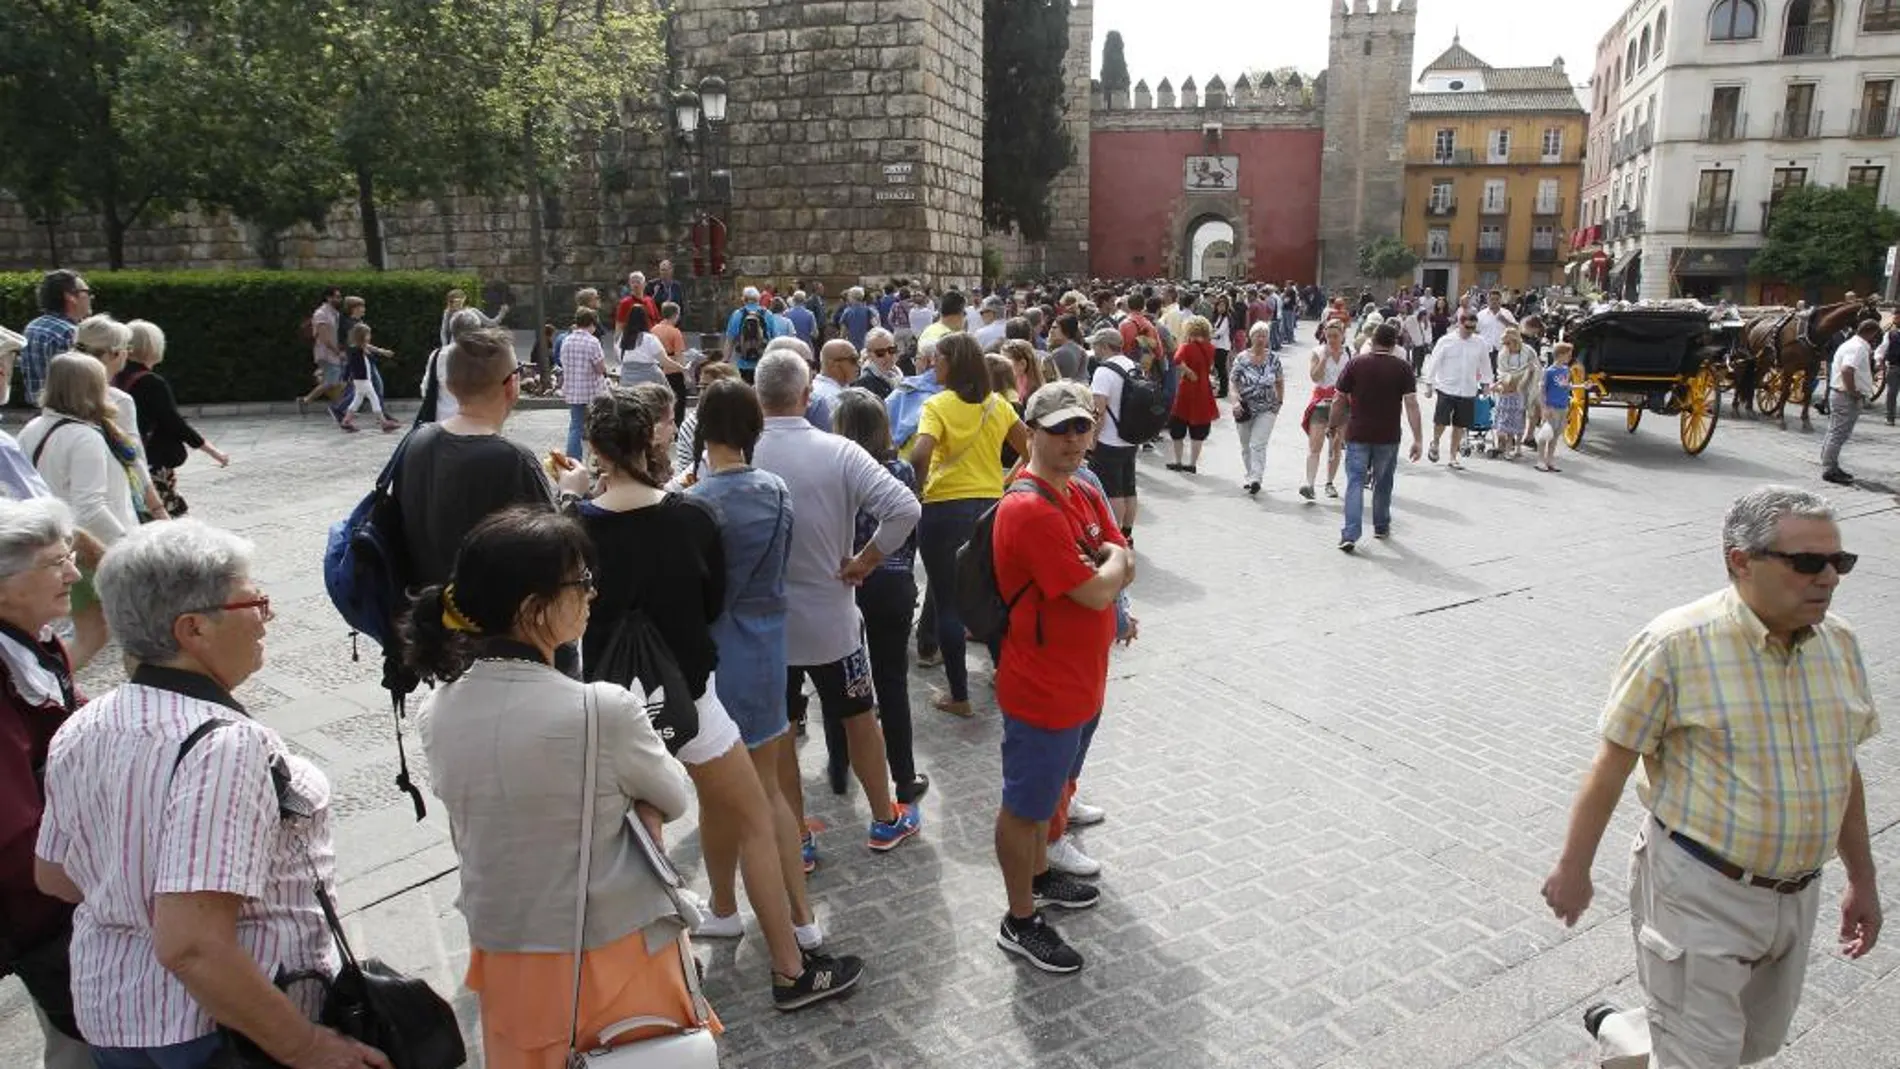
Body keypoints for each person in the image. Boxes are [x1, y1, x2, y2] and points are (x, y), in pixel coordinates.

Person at [1539, 486, 1881, 1069]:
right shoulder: (1673, 645)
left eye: (1838, 561)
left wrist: (1862, 878)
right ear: (1739, 561)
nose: (1828, 577)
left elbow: (1843, 769)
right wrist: (1574, 869)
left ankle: (1626, 1034)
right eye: (1807, 563)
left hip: (1797, 896)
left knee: (1751, 1045)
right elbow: (1611, 765)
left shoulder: (1840, 644)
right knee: (1705, 1057)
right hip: (1697, 889)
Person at [36, 520, 390, 1069]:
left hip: (116, 1014)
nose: (267, 616)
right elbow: (193, 945)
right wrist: (308, 1046)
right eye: (254, 601)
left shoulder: (86, 722)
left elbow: (54, 875)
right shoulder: (224, 745)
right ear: (192, 629)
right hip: (222, 1032)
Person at [569, 386, 861, 1008]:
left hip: (608, 704)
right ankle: (789, 969)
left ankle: (648, 982)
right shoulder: (691, 517)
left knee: (627, 841)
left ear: (593, 448)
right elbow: (709, 603)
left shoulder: (572, 528)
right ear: (652, 438)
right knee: (756, 818)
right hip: (690, 696)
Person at [403, 508, 711, 1067]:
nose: (592, 594)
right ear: (532, 609)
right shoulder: (601, 709)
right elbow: (673, 794)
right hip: (610, 949)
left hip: (504, 952)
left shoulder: (434, 711)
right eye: (581, 582)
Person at [751, 351, 923, 865]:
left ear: (759, 397)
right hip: (831, 617)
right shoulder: (840, 451)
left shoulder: (739, 454)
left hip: (767, 624)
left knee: (781, 730)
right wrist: (866, 561)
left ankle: (797, 836)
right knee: (858, 717)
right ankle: (884, 818)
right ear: (807, 397)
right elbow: (905, 508)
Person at [990, 381, 1133, 974]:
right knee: (1025, 806)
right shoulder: (1028, 508)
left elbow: (1120, 551)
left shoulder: (1079, 489)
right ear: (1031, 434)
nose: (1075, 438)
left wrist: (1113, 561)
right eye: (1060, 429)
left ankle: (1042, 877)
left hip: (1082, 676)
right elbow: (1100, 583)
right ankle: (1019, 921)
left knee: (1051, 796)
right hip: (1042, 684)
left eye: (1083, 426)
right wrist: (1113, 564)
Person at [684, 380, 814, 876]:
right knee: (770, 786)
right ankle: (793, 892)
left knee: (719, 794)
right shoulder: (776, 490)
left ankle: (726, 903)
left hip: (720, 653)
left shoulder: (696, 502)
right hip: (769, 648)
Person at [0, 499, 89, 1069]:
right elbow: (13, 839)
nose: (75, 575)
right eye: (55, 562)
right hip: (41, 905)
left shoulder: (33, 641)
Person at [909, 334, 1029, 719]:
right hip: (991, 506)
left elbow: (920, 453)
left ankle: (959, 696)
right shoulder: (999, 405)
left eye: (937, 359)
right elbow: (1030, 448)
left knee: (948, 601)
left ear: (952, 364)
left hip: (945, 506)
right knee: (989, 594)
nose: (933, 366)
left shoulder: (938, 404)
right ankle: (1004, 674)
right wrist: (1009, 479)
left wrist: (919, 490)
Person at [394, 328, 563, 591]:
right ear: (512, 386)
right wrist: (573, 494)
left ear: (449, 386)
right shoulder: (513, 459)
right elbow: (556, 547)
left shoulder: (415, 441)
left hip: (419, 615)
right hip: (484, 620)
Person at [830, 389, 928, 808]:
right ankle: (904, 778)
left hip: (846, 582)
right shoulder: (901, 470)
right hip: (892, 580)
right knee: (892, 682)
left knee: (838, 680)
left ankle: (839, 768)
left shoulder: (835, 470)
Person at [18, 354, 144, 669]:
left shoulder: (32, 428)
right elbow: (90, 507)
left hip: (58, 543)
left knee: (94, 631)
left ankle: (56, 688)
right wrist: (128, 543)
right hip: (89, 548)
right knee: (139, 629)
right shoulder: (84, 436)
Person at [115, 320, 229, 519]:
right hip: (152, 460)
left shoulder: (115, 377)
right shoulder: (151, 382)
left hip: (126, 455)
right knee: (167, 515)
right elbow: (173, 422)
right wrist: (211, 450)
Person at [1330, 323, 1423, 552]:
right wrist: (1418, 438)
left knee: (1354, 481)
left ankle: (1350, 533)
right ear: (1394, 344)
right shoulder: (1403, 368)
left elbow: (1339, 398)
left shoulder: (1356, 364)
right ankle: (1380, 525)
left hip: (1358, 432)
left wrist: (1332, 425)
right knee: (1383, 482)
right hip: (1388, 435)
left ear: (1372, 341)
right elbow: (1411, 404)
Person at [1086, 329, 1141, 540]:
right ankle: (1127, 533)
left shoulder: (1104, 371)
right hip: (1131, 436)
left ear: (1104, 346)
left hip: (1109, 439)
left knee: (1112, 491)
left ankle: (1114, 535)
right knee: (1129, 488)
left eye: (1095, 345)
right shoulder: (1133, 366)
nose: (1094, 349)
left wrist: (1091, 440)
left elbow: (1098, 411)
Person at [1424, 310, 1493, 469]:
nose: (1470, 331)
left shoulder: (1480, 343)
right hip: (1447, 387)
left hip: (1468, 389)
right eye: (1467, 327)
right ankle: (1435, 442)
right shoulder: (1446, 341)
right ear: (1459, 324)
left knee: (1460, 425)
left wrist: (1486, 384)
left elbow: (1485, 364)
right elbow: (1434, 362)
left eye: (1473, 328)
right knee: (1441, 421)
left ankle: (1453, 456)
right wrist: (1429, 383)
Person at [1820, 320, 1881, 486]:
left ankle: (1829, 463)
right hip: (1845, 396)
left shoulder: (1851, 344)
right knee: (1839, 433)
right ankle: (1829, 468)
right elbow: (1847, 370)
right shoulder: (1858, 347)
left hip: (1839, 393)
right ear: (1871, 333)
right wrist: (1853, 392)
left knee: (1834, 431)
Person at [20, 271, 91, 408]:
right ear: (70, 297)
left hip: (39, 411)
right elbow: (79, 384)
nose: (90, 296)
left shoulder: (32, 326)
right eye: (86, 291)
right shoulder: (70, 332)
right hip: (70, 411)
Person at [1230, 322, 1285, 496]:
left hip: (1267, 408)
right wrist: (1234, 401)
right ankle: (1250, 474)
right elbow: (1233, 381)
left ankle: (1256, 478)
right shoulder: (1242, 358)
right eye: (1258, 335)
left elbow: (1279, 381)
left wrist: (1279, 402)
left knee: (1258, 444)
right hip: (1245, 408)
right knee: (1246, 445)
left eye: (1264, 335)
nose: (1261, 339)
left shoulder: (1274, 359)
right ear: (1251, 337)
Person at [1298, 320, 1349, 501]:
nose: (1332, 340)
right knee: (1315, 444)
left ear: (1343, 335)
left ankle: (1329, 483)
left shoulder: (1349, 354)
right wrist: (1324, 358)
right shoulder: (1318, 352)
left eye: (1336, 336)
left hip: (1341, 404)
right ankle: (1309, 484)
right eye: (1329, 336)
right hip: (1321, 402)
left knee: (1335, 446)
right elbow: (1314, 377)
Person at [1165, 316, 1218, 474]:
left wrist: (1187, 371)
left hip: (1187, 390)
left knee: (1178, 426)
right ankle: (1192, 463)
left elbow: (1176, 359)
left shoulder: (1186, 347)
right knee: (1199, 429)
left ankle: (1178, 461)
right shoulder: (1210, 348)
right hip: (1204, 391)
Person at [561, 307, 611, 460]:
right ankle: (599, 459)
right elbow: (600, 368)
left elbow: (563, 362)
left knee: (575, 427)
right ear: (592, 323)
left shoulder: (566, 340)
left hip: (573, 390)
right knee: (597, 426)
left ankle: (572, 460)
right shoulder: (592, 341)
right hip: (592, 391)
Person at [299, 287, 347, 409]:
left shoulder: (334, 313)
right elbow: (324, 338)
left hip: (333, 352)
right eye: (337, 297)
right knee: (332, 382)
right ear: (328, 297)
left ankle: (341, 407)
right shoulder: (321, 314)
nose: (339, 299)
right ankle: (306, 400)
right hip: (326, 353)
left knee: (336, 381)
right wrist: (338, 352)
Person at [1492, 328, 1534, 460]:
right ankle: (1504, 446)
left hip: (1524, 386)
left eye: (1508, 343)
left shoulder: (1528, 351)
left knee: (1519, 417)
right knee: (1505, 419)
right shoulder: (1503, 354)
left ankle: (1518, 446)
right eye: (1504, 343)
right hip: (1507, 388)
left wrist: (1521, 377)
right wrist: (1509, 380)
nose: (1505, 346)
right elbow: (1502, 372)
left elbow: (1533, 367)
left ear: (1516, 341)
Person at [1533, 342, 1575, 473]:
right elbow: (1542, 390)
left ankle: (1550, 459)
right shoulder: (1549, 371)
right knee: (1545, 435)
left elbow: (1566, 387)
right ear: (1560, 355)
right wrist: (1544, 407)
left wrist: (1582, 386)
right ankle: (1540, 460)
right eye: (1568, 355)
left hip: (1563, 407)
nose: (1570, 357)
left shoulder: (1566, 370)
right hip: (1551, 407)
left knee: (1556, 436)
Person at [439, 288, 508, 349]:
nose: (457, 303)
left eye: (459, 300)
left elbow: (491, 323)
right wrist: (445, 346)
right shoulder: (448, 313)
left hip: (473, 344)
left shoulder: (472, 311)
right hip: (456, 345)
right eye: (453, 301)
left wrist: (502, 313)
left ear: (464, 299)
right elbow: (443, 331)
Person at [853, 328, 903, 399]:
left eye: (891, 350)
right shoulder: (866, 383)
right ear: (869, 355)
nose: (887, 356)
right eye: (880, 352)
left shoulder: (897, 373)